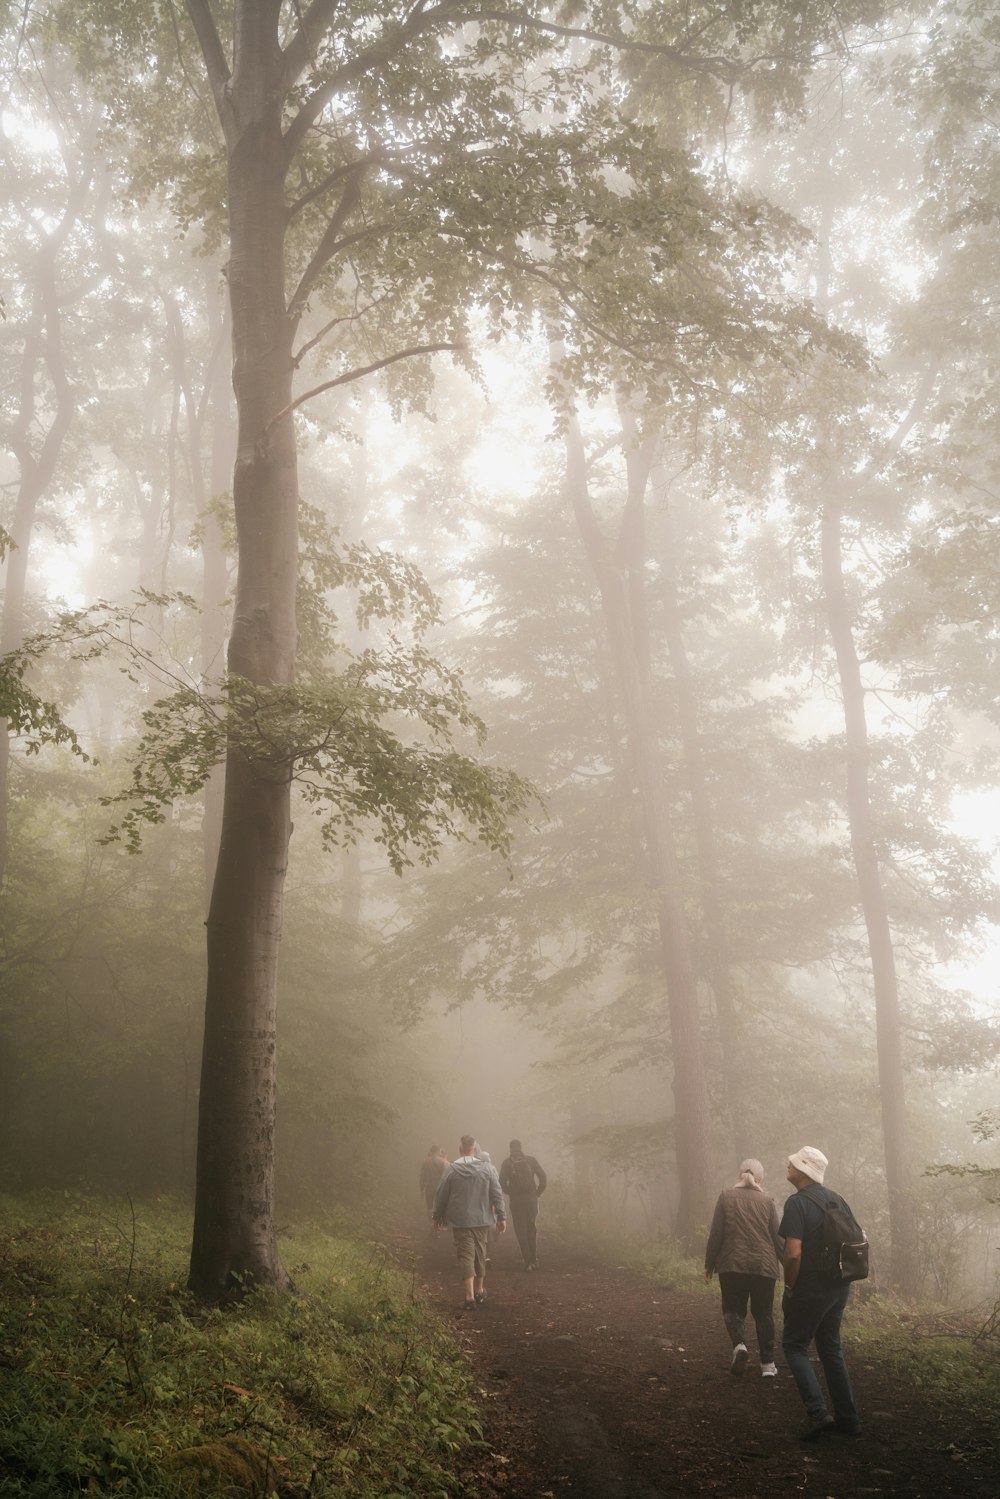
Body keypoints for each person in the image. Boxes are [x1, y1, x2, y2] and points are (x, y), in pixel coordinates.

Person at [780, 1145, 863, 1440]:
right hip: (839, 1286)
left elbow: (792, 1254)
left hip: (811, 1287)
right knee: (830, 1348)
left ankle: (817, 1413)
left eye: (792, 1164)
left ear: (803, 1171)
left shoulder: (796, 1204)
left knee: (794, 1345)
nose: (787, 1166)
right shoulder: (838, 1199)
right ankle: (848, 1419)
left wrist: (790, 1286)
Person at [704, 1157, 783, 1378]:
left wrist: (709, 1264)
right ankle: (767, 1365)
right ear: (760, 1178)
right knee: (764, 1314)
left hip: (732, 1264)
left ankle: (740, 1346)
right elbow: (777, 1238)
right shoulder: (767, 1201)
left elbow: (716, 1234)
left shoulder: (726, 1196)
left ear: (740, 1175)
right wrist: (791, 1267)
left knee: (733, 1309)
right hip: (764, 1266)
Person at [433, 1133, 507, 1309]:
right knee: (480, 1253)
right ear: (474, 1150)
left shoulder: (451, 1169)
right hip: (482, 1219)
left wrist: (437, 1216)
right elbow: (497, 1193)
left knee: (466, 1254)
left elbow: (441, 1194)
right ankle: (480, 1290)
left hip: (460, 1220)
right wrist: (501, 1217)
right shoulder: (487, 1169)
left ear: (460, 1149)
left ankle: (469, 1297)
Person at [498, 1138, 547, 1270]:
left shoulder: (507, 1163)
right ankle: (534, 1259)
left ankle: (527, 1263)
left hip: (517, 1201)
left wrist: (510, 1192)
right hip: (531, 1200)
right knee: (531, 1227)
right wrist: (537, 1193)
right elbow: (543, 1177)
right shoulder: (531, 1160)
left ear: (510, 1149)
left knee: (521, 1230)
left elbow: (501, 1182)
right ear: (521, 1148)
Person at [419, 1145, 448, 1219]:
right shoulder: (442, 1162)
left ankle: (431, 1223)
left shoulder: (425, 1162)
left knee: (429, 1208)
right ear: (438, 1151)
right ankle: (437, 1223)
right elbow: (446, 1176)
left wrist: (421, 1189)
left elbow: (422, 1177)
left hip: (429, 1189)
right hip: (440, 1189)